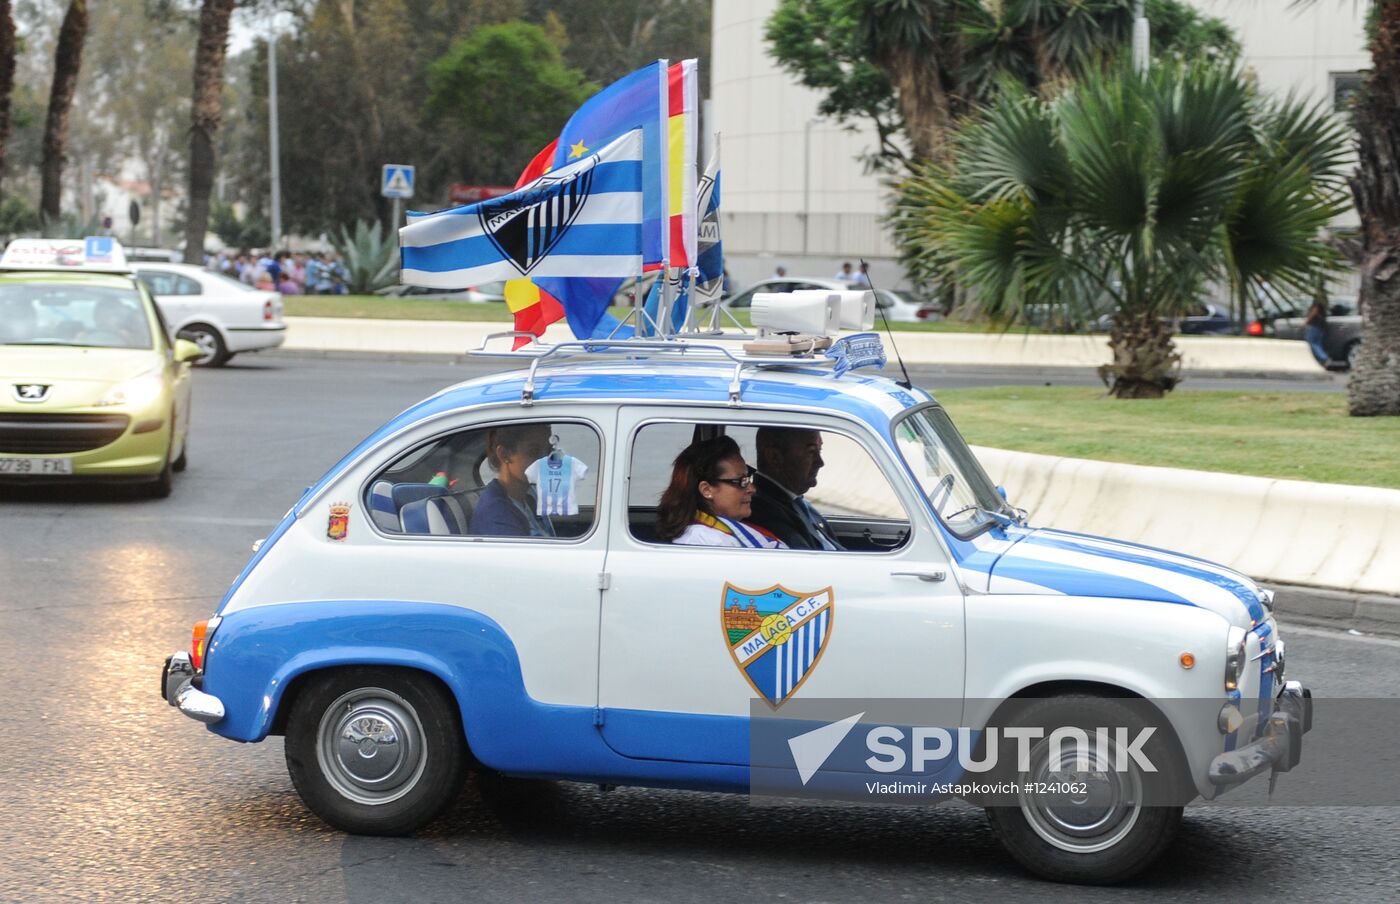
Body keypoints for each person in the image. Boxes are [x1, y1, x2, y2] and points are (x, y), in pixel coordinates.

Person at [656, 436, 787, 548]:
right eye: (741, 481)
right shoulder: (705, 541)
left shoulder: (717, 533)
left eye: (748, 478)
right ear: (707, 490)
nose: (752, 489)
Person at [749, 427, 843, 551]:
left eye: (819, 451)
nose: (820, 462)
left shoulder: (797, 501)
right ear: (774, 457)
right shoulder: (762, 510)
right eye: (811, 452)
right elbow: (807, 562)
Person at [469, 423, 557, 537]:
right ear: (504, 455)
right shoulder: (497, 517)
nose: (545, 460)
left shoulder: (529, 496)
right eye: (533, 451)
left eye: (549, 451)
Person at [1303, 297, 1331, 367]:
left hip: (1315, 325)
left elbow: (1314, 311)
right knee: (1317, 343)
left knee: (1312, 342)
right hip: (1321, 325)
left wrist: (1306, 322)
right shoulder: (1324, 300)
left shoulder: (1317, 300)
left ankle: (1324, 357)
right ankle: (1320, 360)